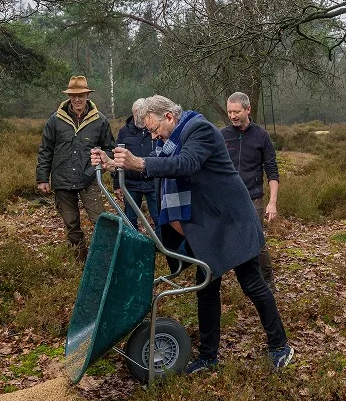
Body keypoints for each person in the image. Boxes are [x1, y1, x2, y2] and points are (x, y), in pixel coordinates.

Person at [92, 95, 295, 373]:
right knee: (207, 290)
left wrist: (138, 163)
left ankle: (280, 346)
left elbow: (184, 165)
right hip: (210, 227)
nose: (153, 136)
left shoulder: (200, 130)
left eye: (154, 129)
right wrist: (113, 164)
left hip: (233, 222)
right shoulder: (173, 139)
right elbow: (160, 167)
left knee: (253, 285)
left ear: (169, 118)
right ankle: (209, 357)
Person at [36, 76, 115, 265]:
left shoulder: (100, 120)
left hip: (89, 178)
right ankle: (80, 263)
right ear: (69, 96)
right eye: (73, 96)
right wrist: (42, 178)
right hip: (62, 179)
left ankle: (103, 262)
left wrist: (102, 164)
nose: (77, 99)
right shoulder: (55, 120)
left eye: (81, 95)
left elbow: (110, 148)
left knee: (100, 221)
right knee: (71, 225)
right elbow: (45, 150)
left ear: (87, 95)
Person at [220, 91, 279, 293]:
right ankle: (237, 279)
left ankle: (267, 280)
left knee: (256, 240)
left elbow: (272, 171)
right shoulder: (222, 136)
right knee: (228, 238)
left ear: (248, 110)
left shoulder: (261, 136)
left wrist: (272, 202)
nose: (233, 116)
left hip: (253, 197)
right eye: (229, 112)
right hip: (227, 199)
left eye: (237, 111)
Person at [115, 99, 159, 230]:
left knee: (159, 217)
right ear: (132, 113)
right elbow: (118, 158)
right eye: (136, 112)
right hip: (131, 183)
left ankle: (164, 246)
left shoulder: (154, 129)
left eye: (142, 112)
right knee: (130, 219)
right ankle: (133, 247)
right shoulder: (124, 132)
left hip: (153, 182)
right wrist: (117, 184)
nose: (139, 115)